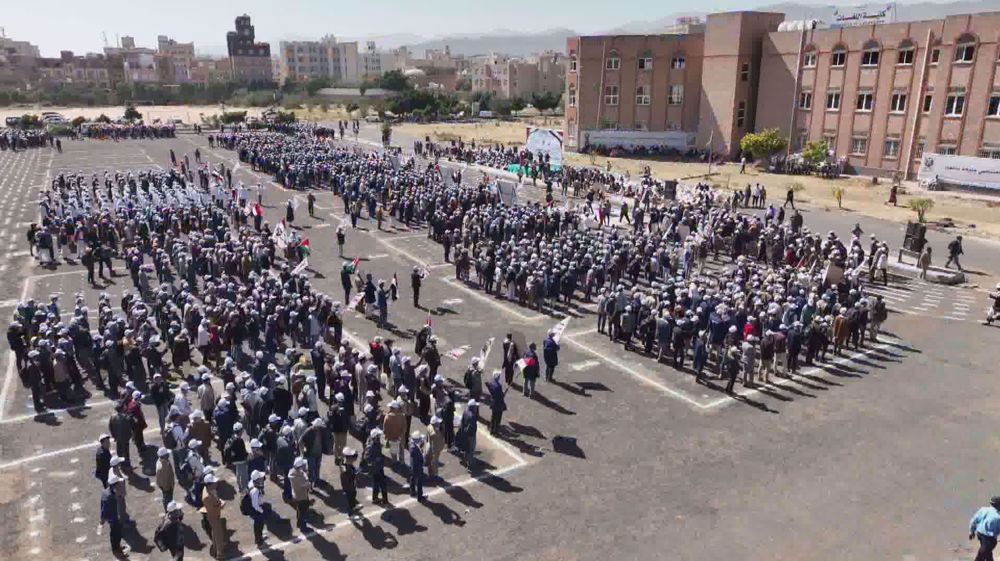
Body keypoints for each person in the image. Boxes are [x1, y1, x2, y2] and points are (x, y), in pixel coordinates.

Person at [200, 474, 226, 560]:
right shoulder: (207, 497)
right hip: (213, 517)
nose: (216, 483)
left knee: (215, 533)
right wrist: (221, 505)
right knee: (219, 536)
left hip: (215, 515)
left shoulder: (210, 489)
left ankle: (215, 549)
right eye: (214, 482)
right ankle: (220, 555)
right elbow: (211, 509)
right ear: (209, 484)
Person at [101, 474, 128, 558]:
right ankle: (116, 550)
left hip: (115, 517)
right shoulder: (110, 495)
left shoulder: (106, 492)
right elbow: (104, 508)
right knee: (116, 534)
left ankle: (117, 547)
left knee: (116, 533)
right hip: (114, 518)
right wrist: (103, 518)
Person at [969, 496, 1000, 561]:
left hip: (980, 534)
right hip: (990, 538)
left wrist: (972, 531)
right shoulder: (998, 516)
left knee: (987, 553)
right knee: (982, 554)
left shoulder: (983, 509)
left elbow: (974, 520)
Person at [288, 457, 312, 532]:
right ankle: (303, 527)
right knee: (303, 512)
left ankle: (299, 523)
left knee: (299, 510)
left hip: (296, 495)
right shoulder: (298, 477)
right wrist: (308, 483)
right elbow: (306, 484)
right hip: (301, 496)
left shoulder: (293, 472)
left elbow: (302, 474)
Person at [457, 399, 478, 468]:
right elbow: (471, 426)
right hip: (471, 435)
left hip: (464, 433)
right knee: (471, 449)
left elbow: (462, 422)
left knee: (466, 448)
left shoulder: (465, 412)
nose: (476, 407)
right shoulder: (473, 416)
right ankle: (470, 463)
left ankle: (464, 460)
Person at [340, 447, 359, 515]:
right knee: (350, 501)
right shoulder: (345, 468)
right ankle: (351, 514)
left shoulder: (350, 465)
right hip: (349, 488)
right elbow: (346, 480)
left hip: (352, 486)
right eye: (353, 457)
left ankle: (354, 508)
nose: (354, 459)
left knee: (353, 496)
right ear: (349, 458)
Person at [486, 371, 506, 435]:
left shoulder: (492, 384)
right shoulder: (498, 386)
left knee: (493, 417)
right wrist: (504, 393)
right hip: (498, 404)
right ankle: (496, 431)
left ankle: (491, 430)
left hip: (493, 403)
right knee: (498, 419)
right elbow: (500, 396)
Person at [156, 447, 175, 512]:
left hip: (166, 485)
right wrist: (167, 488)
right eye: (167, 454)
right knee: (167, 499)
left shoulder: (163, 461)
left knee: (167, 498)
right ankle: (168, 511)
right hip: (166, 486)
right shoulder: (163, 466)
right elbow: (164, 479)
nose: (168, 455)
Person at [408, 431, 426, 500]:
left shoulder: (412, 445)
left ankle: (412, 492)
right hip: (417, 466)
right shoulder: (414, 448)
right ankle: (420, 496)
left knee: (412, 478)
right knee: (419, 481)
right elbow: (418, 457)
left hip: (413, 465)